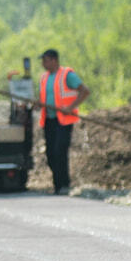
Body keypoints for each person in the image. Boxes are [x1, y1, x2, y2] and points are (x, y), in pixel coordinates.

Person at [37, 49, 90, 195]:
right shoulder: (44, 78)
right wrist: (38, 104)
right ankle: (57, 184)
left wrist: (71, 107)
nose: (43, 63)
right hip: (49, 120)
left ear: (54, 60)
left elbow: (85, 91)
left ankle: (63, 185)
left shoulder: (67, 75)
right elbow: (44, 97)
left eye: (45, 60)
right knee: (50, 153)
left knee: (60, 151)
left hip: (64, 121)